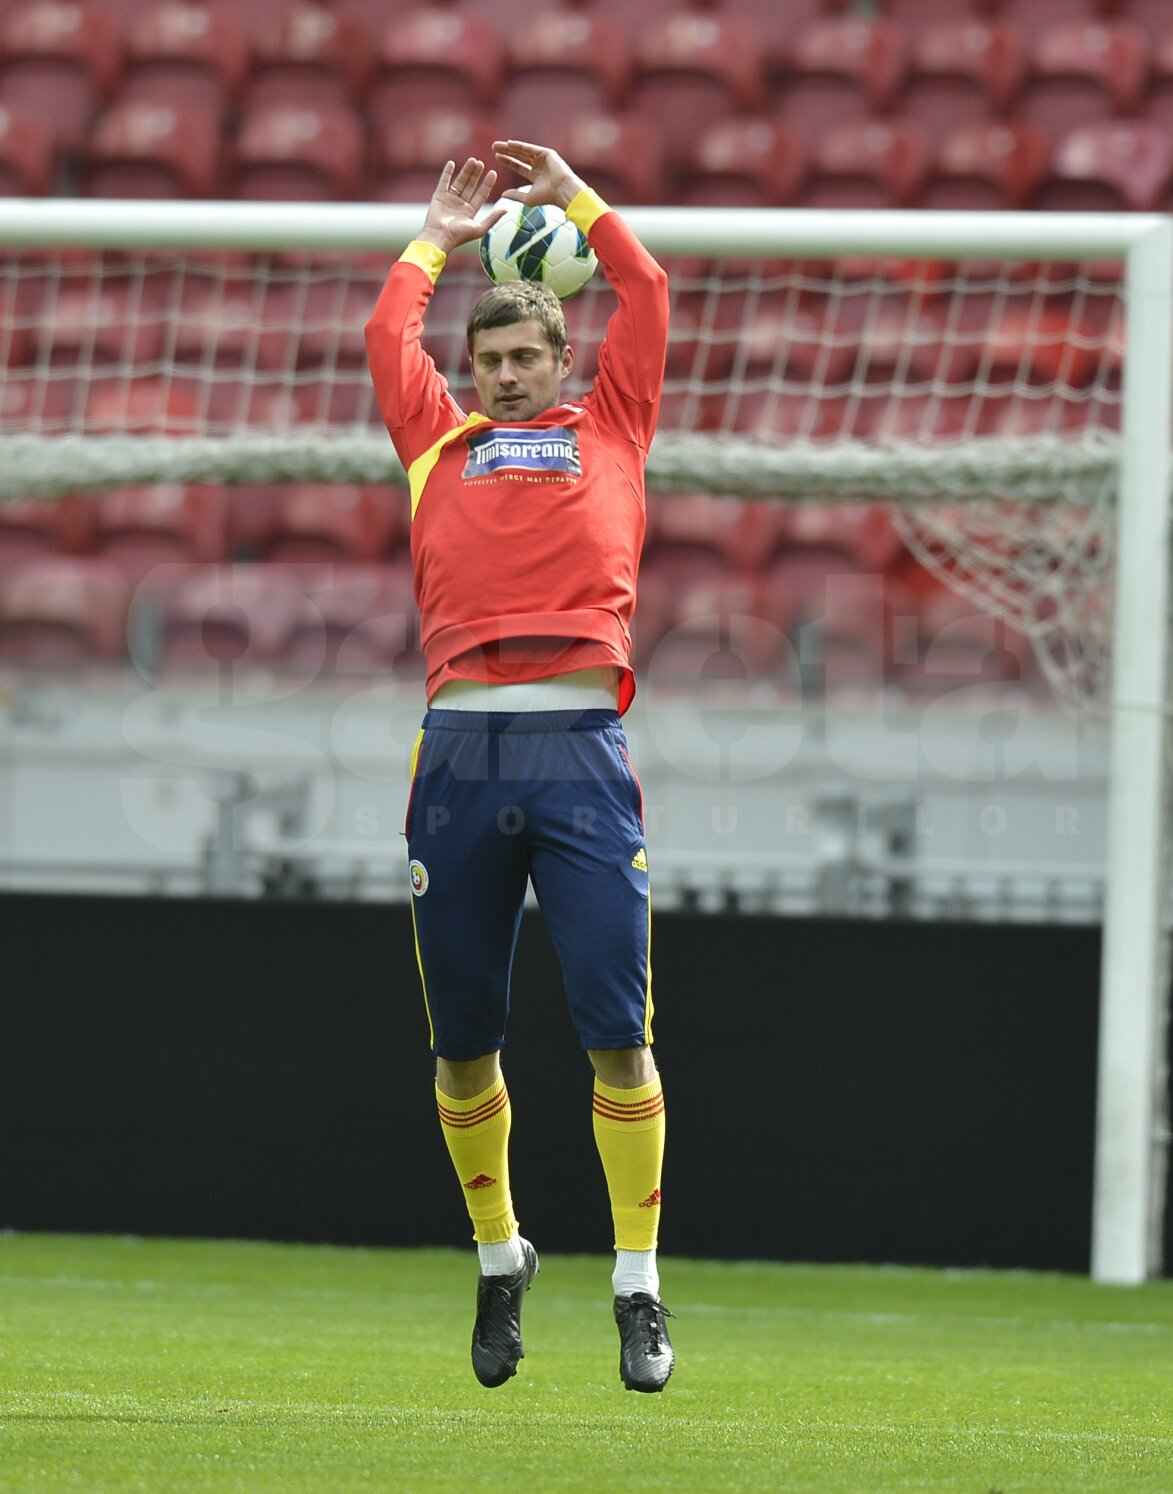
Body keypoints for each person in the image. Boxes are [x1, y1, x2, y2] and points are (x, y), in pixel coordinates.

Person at [364, 141, 673, 1393]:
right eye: (483, 360)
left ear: (562, 364)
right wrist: (435, 237)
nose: (499, 375)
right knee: (462, 1044)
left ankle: (638, 1289)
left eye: (521, 358)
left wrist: (583, 204)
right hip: (461, 758)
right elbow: (391, 331)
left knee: (617, 1036)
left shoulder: (614, 426)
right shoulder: (436, 441)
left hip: (581, 755)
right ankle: (501, 1258)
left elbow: (645, 291)